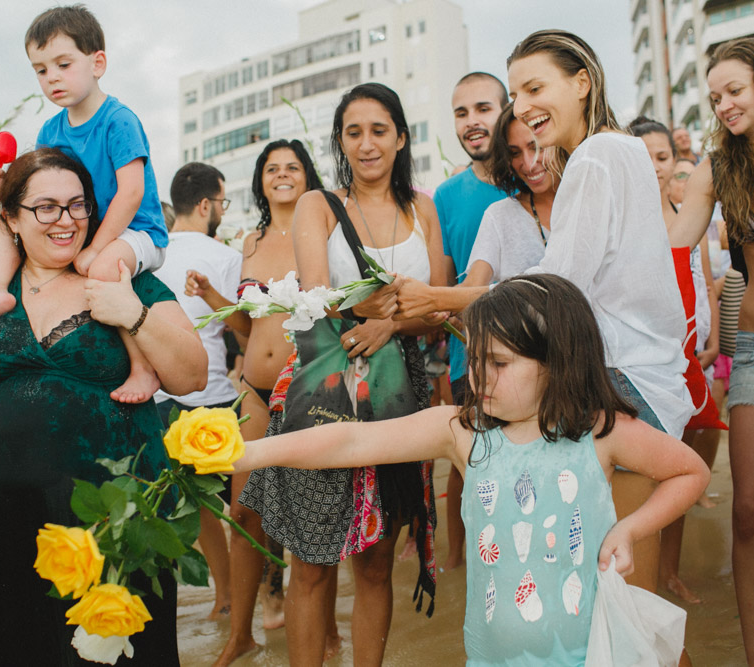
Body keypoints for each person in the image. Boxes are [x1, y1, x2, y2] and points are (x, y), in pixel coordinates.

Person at [236, 274, 710, 665]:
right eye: (476, 359)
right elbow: (351, 440)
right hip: (489, 657)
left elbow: (690, 472)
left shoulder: (600, 431)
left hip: (589, 653)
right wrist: (249, 452)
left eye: (499, 362)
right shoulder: (464, 431)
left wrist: (629, 529)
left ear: (557, 362)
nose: (480, 375)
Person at [0, 148, 206, 666]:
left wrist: (133, 314)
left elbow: (192, 376)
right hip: (0, 513)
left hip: (110, 517)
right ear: (10, 218)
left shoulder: (125, 279)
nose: (67, 220)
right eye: (46, 207)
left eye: (78, 205)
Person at [240, 83, 446, 666]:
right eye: (353, 132)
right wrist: (376, 312)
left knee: (376, 561)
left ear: (401, 138)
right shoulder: (319, 204)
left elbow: (436, 307)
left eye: (379, 130)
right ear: (340, 141)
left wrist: (389, 324)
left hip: (401, 393)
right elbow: (316, 294)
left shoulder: (423, 209)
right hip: (324, 388)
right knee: (310, 559)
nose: (367, 144)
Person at [398, 30, 692, 439]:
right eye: (515, 95)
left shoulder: (593, 156)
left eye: (535, 88)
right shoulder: (625, 147)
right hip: (648, 374)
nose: (521, 107)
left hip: (621, 377)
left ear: (582, 83)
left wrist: (436, 298)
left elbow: (555, 289)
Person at [0, 4, 168, 404]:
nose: (52, 77)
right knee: (8, 222)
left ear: (98, 63)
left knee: (103, 267)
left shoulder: (118, 120)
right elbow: (36, 187)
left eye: (63, 64)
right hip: (88, 230)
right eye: (41, 70)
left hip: (137, 231)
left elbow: (131, 193)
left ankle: (143, 367)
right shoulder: (51, 129)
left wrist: (96, 248)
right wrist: (0, 186)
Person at [185, 139, 327, 666]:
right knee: (244, 511)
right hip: (253, 387)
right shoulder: (250, 241)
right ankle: (240, 634)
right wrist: (212, 297)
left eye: (292, 167)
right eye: (272, 168)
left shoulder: (323, 231)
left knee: (309, 515)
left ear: (307, 176)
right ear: (260, 181)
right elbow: (248, 326)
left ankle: (325, 629)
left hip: (307, 386)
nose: (282, 174)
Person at [669, 37, 754, 666]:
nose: (724, 105)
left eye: (734, 90)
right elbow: (672, 247)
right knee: (751, 510)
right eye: (715, 97)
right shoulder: (717, 170)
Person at [629, 117, 721, 605]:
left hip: (693, 361)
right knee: (649, 476)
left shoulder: (693, 216)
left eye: (662, 157)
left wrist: (714, 342)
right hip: (649, 368)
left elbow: (703, 284)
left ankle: (669, 571)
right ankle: (643, 576)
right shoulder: (627, 227)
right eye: (643, 158)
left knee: (688, 464)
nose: (655, 167)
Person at [152, 162, 239, 621]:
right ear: (206, 205)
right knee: (246, 508)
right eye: (222, 202)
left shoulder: (151, 255)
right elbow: (241, 327)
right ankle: (260, 596)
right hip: (214, 396)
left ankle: (223, 598)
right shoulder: (224, 257)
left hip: (161, 400)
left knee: (198, 509)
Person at [432, 71, 509, 571]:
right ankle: (460, 566)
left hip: (543, 355)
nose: (472, 121)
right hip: (470, 361)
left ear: (506, 110)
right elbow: (441, 288)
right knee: (473, 467)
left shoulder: (536, 179)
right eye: (461, 113)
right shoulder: (445, 196)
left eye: (483, 109)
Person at [461, 102, 558, 287]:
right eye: (515, 153)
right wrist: (429, 297)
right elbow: (473, 286)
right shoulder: (499, 215)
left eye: (536, 147)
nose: (528, 164)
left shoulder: (588, 197)